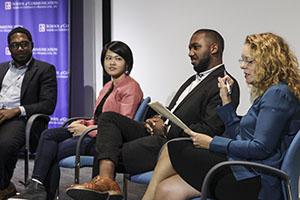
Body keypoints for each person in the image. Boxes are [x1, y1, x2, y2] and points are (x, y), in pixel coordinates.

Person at [66, 29, 240, 200]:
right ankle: (105, 180)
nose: (190, 53)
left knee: (104, 153)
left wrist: (165, 129)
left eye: (195, 47)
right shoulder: (193, 79)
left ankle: (105, 180)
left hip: (174, 143)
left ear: (214, 48)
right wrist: (157, 120)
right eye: (189, 48)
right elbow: (176, 114)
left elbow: (209, 129)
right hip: (160, 133)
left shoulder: (224, 84)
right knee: (108, 118)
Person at [141, 32, 300, 200]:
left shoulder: (277, 94)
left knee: (174, 147)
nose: (242, 66)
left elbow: (260, 148)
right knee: (167, 189)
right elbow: (238, 137)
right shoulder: (272, 93)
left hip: (256, 179)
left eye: (249, 61)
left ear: (268, 63)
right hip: (245, 169)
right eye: (242, 60)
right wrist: (226, 101)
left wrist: (212, 143)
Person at [12, 41, 143, 200]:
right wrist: (83, 123)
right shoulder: (108, 85)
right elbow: (98, 118)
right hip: (93, 132)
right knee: (48, 135)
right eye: (108, 58)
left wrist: (88, 130)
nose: (112, 63)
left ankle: (42, 193)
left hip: (106, 141)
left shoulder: (131, 87)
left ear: (127, 62)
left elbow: (122, 126)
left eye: (118, 58)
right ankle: (37, 186)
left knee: (52, 150)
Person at [0, 27, 57, 200]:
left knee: (4, 144)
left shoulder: (44, 69)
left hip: (21, 119)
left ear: (32, 45)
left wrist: (16, 110)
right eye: (15, 45)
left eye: (24, 44)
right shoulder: (1, 69)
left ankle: (2, 187)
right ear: (9, 48)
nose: (20, 48)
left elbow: (48, 105)